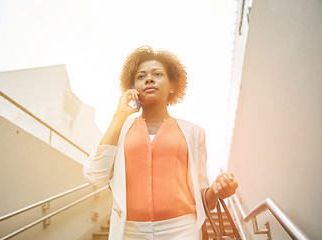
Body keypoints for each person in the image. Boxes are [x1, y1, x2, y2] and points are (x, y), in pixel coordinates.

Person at [83, 46, 238, 240]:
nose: (148, 79)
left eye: (157, 74)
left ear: (172, 85)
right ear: (132, 88)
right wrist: (119, 115)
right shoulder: (120, 129)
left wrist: (216, 190)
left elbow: (203, 198)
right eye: (140, 76)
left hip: (182, 230)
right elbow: (94, 175)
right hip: (129, 231)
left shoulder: (194, 133)